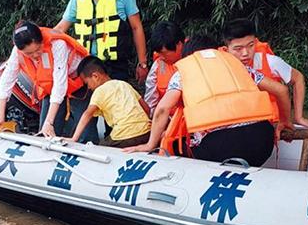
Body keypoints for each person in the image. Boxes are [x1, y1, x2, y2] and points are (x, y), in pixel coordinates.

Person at [124, 36, 295, 167]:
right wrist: (285, 122)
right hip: (262, 142)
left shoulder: (184, 72)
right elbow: (281, 90)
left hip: (218, 149)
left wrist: (149, 144)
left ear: (188, 58)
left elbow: (162, 109)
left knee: (177, 143)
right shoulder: (238, 66)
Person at [0, 21, 98, 143]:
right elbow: (7, 79)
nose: (35, 55)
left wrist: (49, 122)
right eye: (29, 53)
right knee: (45, 134)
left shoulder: (58, 45)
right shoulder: (17, 52)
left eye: (38, 50)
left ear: (42, 41)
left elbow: (60, 84)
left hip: (77, 84)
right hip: (50, 87)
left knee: (85, 132)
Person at [54, 0, 148, 83]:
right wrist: (42, 38)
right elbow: (61, 27)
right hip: (86, 65)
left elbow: (136, 27)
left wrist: (142, 63)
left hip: (114, 66)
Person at [222, 18, 308, 128]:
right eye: (238, 49)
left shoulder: (270, 61)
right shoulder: (218, 65)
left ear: (256, 42)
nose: (245, 53)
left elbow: (298, 78)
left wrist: (298, 117)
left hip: (270, 124)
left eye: (250, 45)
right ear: (226, 49)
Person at [67, 56, 151, 148]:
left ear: (95, 76)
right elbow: (146, 108)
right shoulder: (124, 84)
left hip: (124, 136)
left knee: (100, 148)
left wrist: (74, 138)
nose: (88, 88)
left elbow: (87, 114)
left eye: (87, 83)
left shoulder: (99, 91)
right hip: (146, 133)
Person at [144, 21, 185, 116]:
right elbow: (151, 103)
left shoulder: (195, 59)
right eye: (158, 53)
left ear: (179, 45)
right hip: (169, 120)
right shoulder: (159, 65)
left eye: (164, 53)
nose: (161, 57)